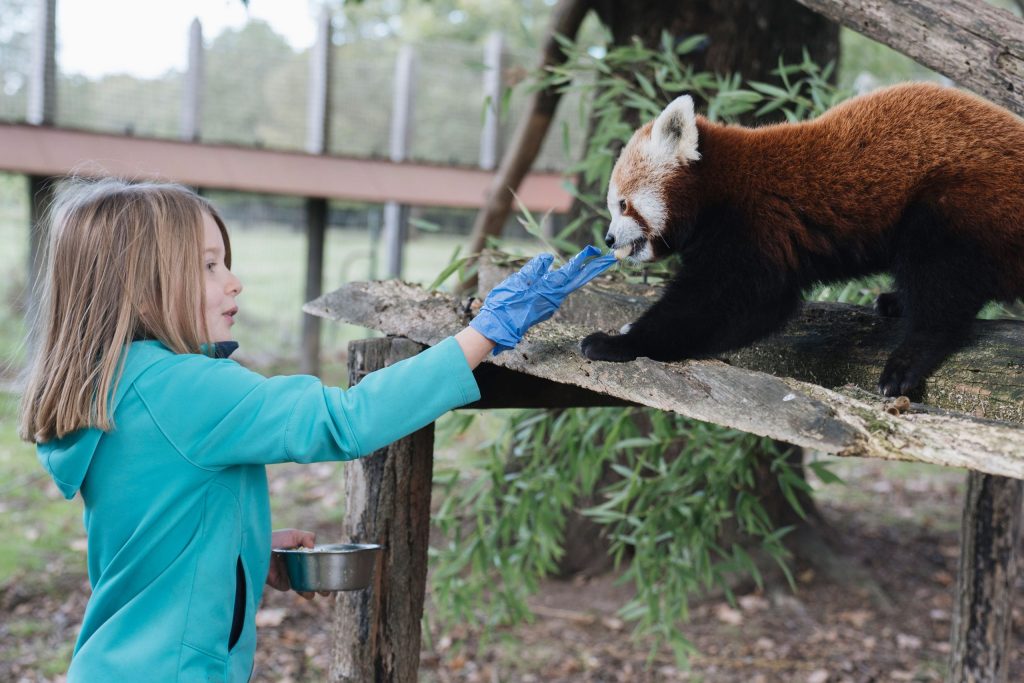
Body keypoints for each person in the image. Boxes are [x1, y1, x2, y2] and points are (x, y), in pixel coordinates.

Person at [18, 177, 615, 682]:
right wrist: (484, 332)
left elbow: (151, 529)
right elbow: (346, 421)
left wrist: (244, 548)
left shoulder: (116, 386)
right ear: (140, 286)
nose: (233, 282)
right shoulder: (185, 388)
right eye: (208, 266)